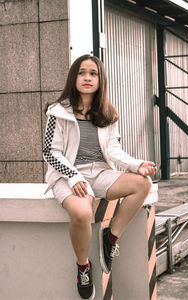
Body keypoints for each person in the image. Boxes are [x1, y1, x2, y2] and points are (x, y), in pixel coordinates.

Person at [43, 54, 157, 300]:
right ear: (74, 78)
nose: (87, 78)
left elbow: (114, 151)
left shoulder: (107, 113)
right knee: (83, 213)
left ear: (100, 79)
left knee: (142, 184)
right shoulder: (57, 111)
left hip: (100, 173)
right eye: (82, 73)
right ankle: (83, 267)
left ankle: (111, 236)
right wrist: (73, 177)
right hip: (68, 175)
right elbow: (49, 153)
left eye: (93, 73)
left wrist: (138, 165)